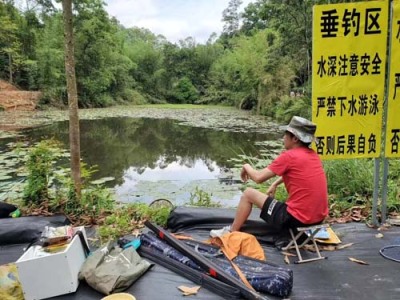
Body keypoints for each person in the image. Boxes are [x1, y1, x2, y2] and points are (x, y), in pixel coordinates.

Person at [210, 116, 329, 239]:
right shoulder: (312, 155)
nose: (283, 138)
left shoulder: (289, 156)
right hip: (317, 220)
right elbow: (299, 174)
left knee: (248, 193)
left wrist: (246, 166)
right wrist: (275, 183)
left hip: (296, 220)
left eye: (285, 135)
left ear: (294, 138)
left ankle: (230, 232)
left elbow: (258, 178)